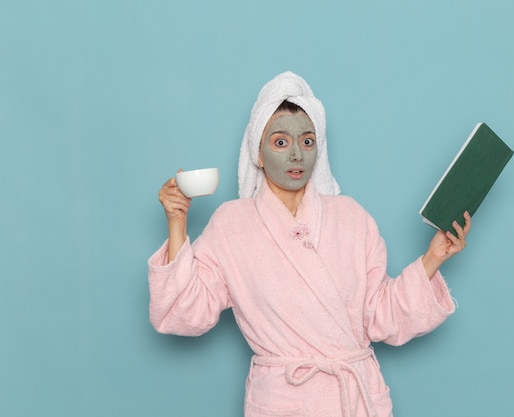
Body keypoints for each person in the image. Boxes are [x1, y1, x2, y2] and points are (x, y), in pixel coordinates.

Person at [148, 71, 471, 417]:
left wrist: (433, 257)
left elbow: (381, 317)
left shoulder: (352, 217)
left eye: (307, 141)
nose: (297, 155)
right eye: (281, 142)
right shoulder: (231, 224)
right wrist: (177, 221)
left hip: (354, 398)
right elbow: (183, 313)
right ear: (257, 152)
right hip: (283, 401)